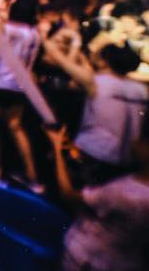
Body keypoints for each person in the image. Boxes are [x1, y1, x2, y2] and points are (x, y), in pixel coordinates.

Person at [46, 123, 149, 271]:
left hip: (84, 262)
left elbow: (67, 195)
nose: (135, 142)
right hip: (122, 266)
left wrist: (56, 147)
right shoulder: (135, 185)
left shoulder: (124, 193)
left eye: (143, 141)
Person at [43, 33, 148, 184]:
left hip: (93, 154)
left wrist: (72, 40)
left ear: (104, 62)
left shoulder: (96, 82)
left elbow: (60, 60)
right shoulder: (141, 90)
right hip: (126, 161)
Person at [0, 0, 43, 191]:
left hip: (1, 83)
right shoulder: (35, 35)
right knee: (16, 127)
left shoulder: (11, 29)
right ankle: (33, 179)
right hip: (20, 87)